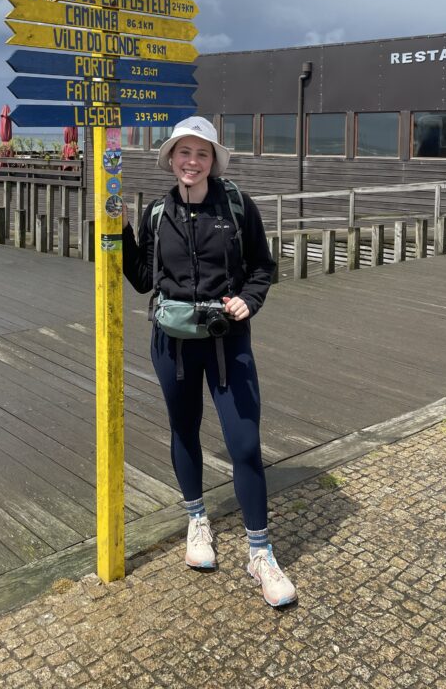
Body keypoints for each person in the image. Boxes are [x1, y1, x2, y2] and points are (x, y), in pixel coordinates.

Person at [122, 116, 297, 607]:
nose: (191, 162)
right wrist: (117, 230)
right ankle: (197, 520)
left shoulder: (238, 207)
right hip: (171, 345)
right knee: (184, 430)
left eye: (201, 154)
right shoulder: (158, 212)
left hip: (228, 342)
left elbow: (263, 266)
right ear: (171, 159)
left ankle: (259, 552)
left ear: (213, 160)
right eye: (183, 153)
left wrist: (249, 299)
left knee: (244, 443)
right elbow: (141, 278)